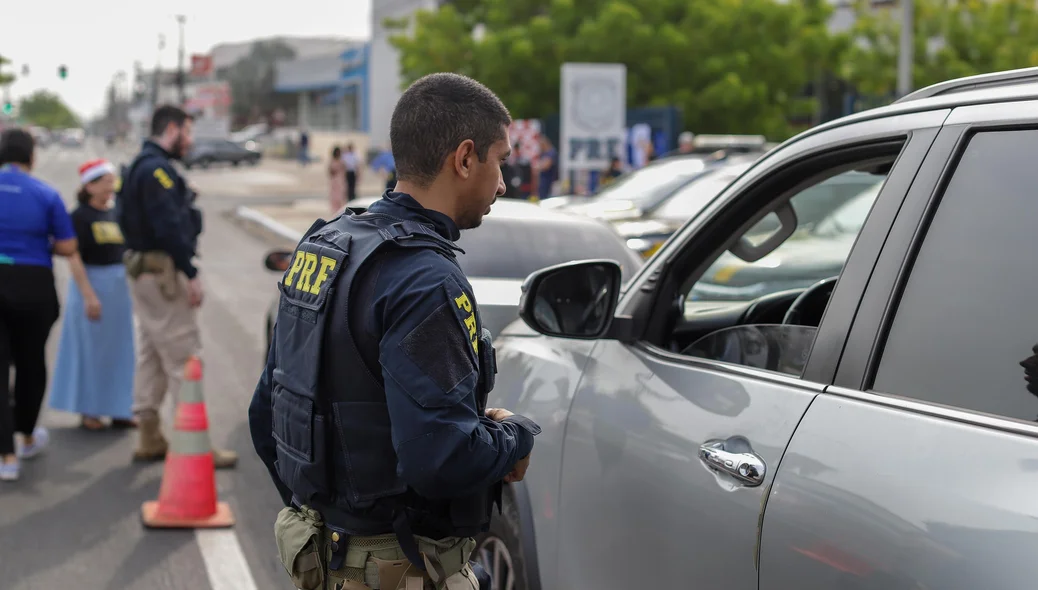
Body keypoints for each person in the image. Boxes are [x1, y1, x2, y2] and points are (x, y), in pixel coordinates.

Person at [249, 72, 540, 590]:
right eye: (500, 161)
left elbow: (266, 414)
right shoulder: (425, 278)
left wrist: (331, 516)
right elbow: (440, 458)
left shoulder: (326, 244)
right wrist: (512, 438)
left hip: (326, 559)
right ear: (465, 157)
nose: (502, 183)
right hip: (401, 567)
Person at [117, 105, 237, 468]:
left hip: (144, 272)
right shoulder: (158, 171)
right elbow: (169, 227)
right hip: (163, 273)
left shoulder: (142, 165)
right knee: (185, 357)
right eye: (187, 131)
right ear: (171, 129)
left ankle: (150, 435)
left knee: (152, 354)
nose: (191, 140)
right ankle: (195, 444)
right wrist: (190, 271)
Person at [0, 128, 95, 481]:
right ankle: (25, 438)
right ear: (32, 157)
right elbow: (69, 247)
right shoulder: (45, 193)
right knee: (30, 362)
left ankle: (5, 458)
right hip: (32, 285)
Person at [49, 159, 137, 431]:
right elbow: (74, 257)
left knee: (120, 351)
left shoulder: (116, 213)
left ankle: (120, 409)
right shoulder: (79, 216)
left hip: (118, 290)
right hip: (91, 286)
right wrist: (89, 295)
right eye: (106, 181)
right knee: (90, 353)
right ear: (90, 185)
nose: (112, 187)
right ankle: (90, 411)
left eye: (113, 181)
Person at [535, 135, 557, 200]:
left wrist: (539, 166)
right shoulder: (544, 153)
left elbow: (546, 166)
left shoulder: (551, 152)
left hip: (548, 180)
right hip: (543, 180)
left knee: (546, 198)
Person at [328, 146, 346, 213]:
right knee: (334, 196)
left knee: (341, 196)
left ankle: (340, 210)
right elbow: (330, 171)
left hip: (341, 180)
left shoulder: (342, 161)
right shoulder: (332, 161)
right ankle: (335, 210)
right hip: (334, 180)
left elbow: (344, 169)